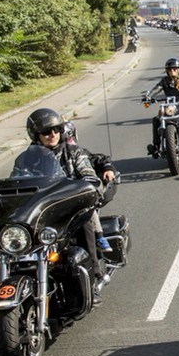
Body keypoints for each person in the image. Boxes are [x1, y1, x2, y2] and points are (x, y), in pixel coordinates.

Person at [26, 108, 116, 301]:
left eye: (56, 130)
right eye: (46, 132)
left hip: (71, 208)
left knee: (84, 223)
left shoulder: (73, 152)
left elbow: (88, 173)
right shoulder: (27, 159)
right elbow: (17, 182)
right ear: (36, 136)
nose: (52, 135)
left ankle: (93, 280)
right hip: (41, 210)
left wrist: (88, 186)